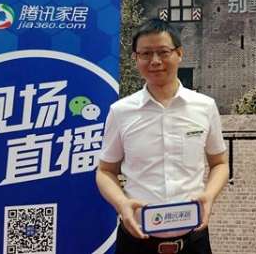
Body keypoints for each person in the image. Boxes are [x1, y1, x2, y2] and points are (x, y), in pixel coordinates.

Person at [96, 19, 229, 254]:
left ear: (179, 54)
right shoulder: (121, 111)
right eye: (146, 54)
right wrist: (122, 203)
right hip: (136, 242)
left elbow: (219, 164)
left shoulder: (205, 106)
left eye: (163, 52)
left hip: (193, 241)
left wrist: (209, 195)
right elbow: (105, 171)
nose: (155, 61)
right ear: (135, 59)